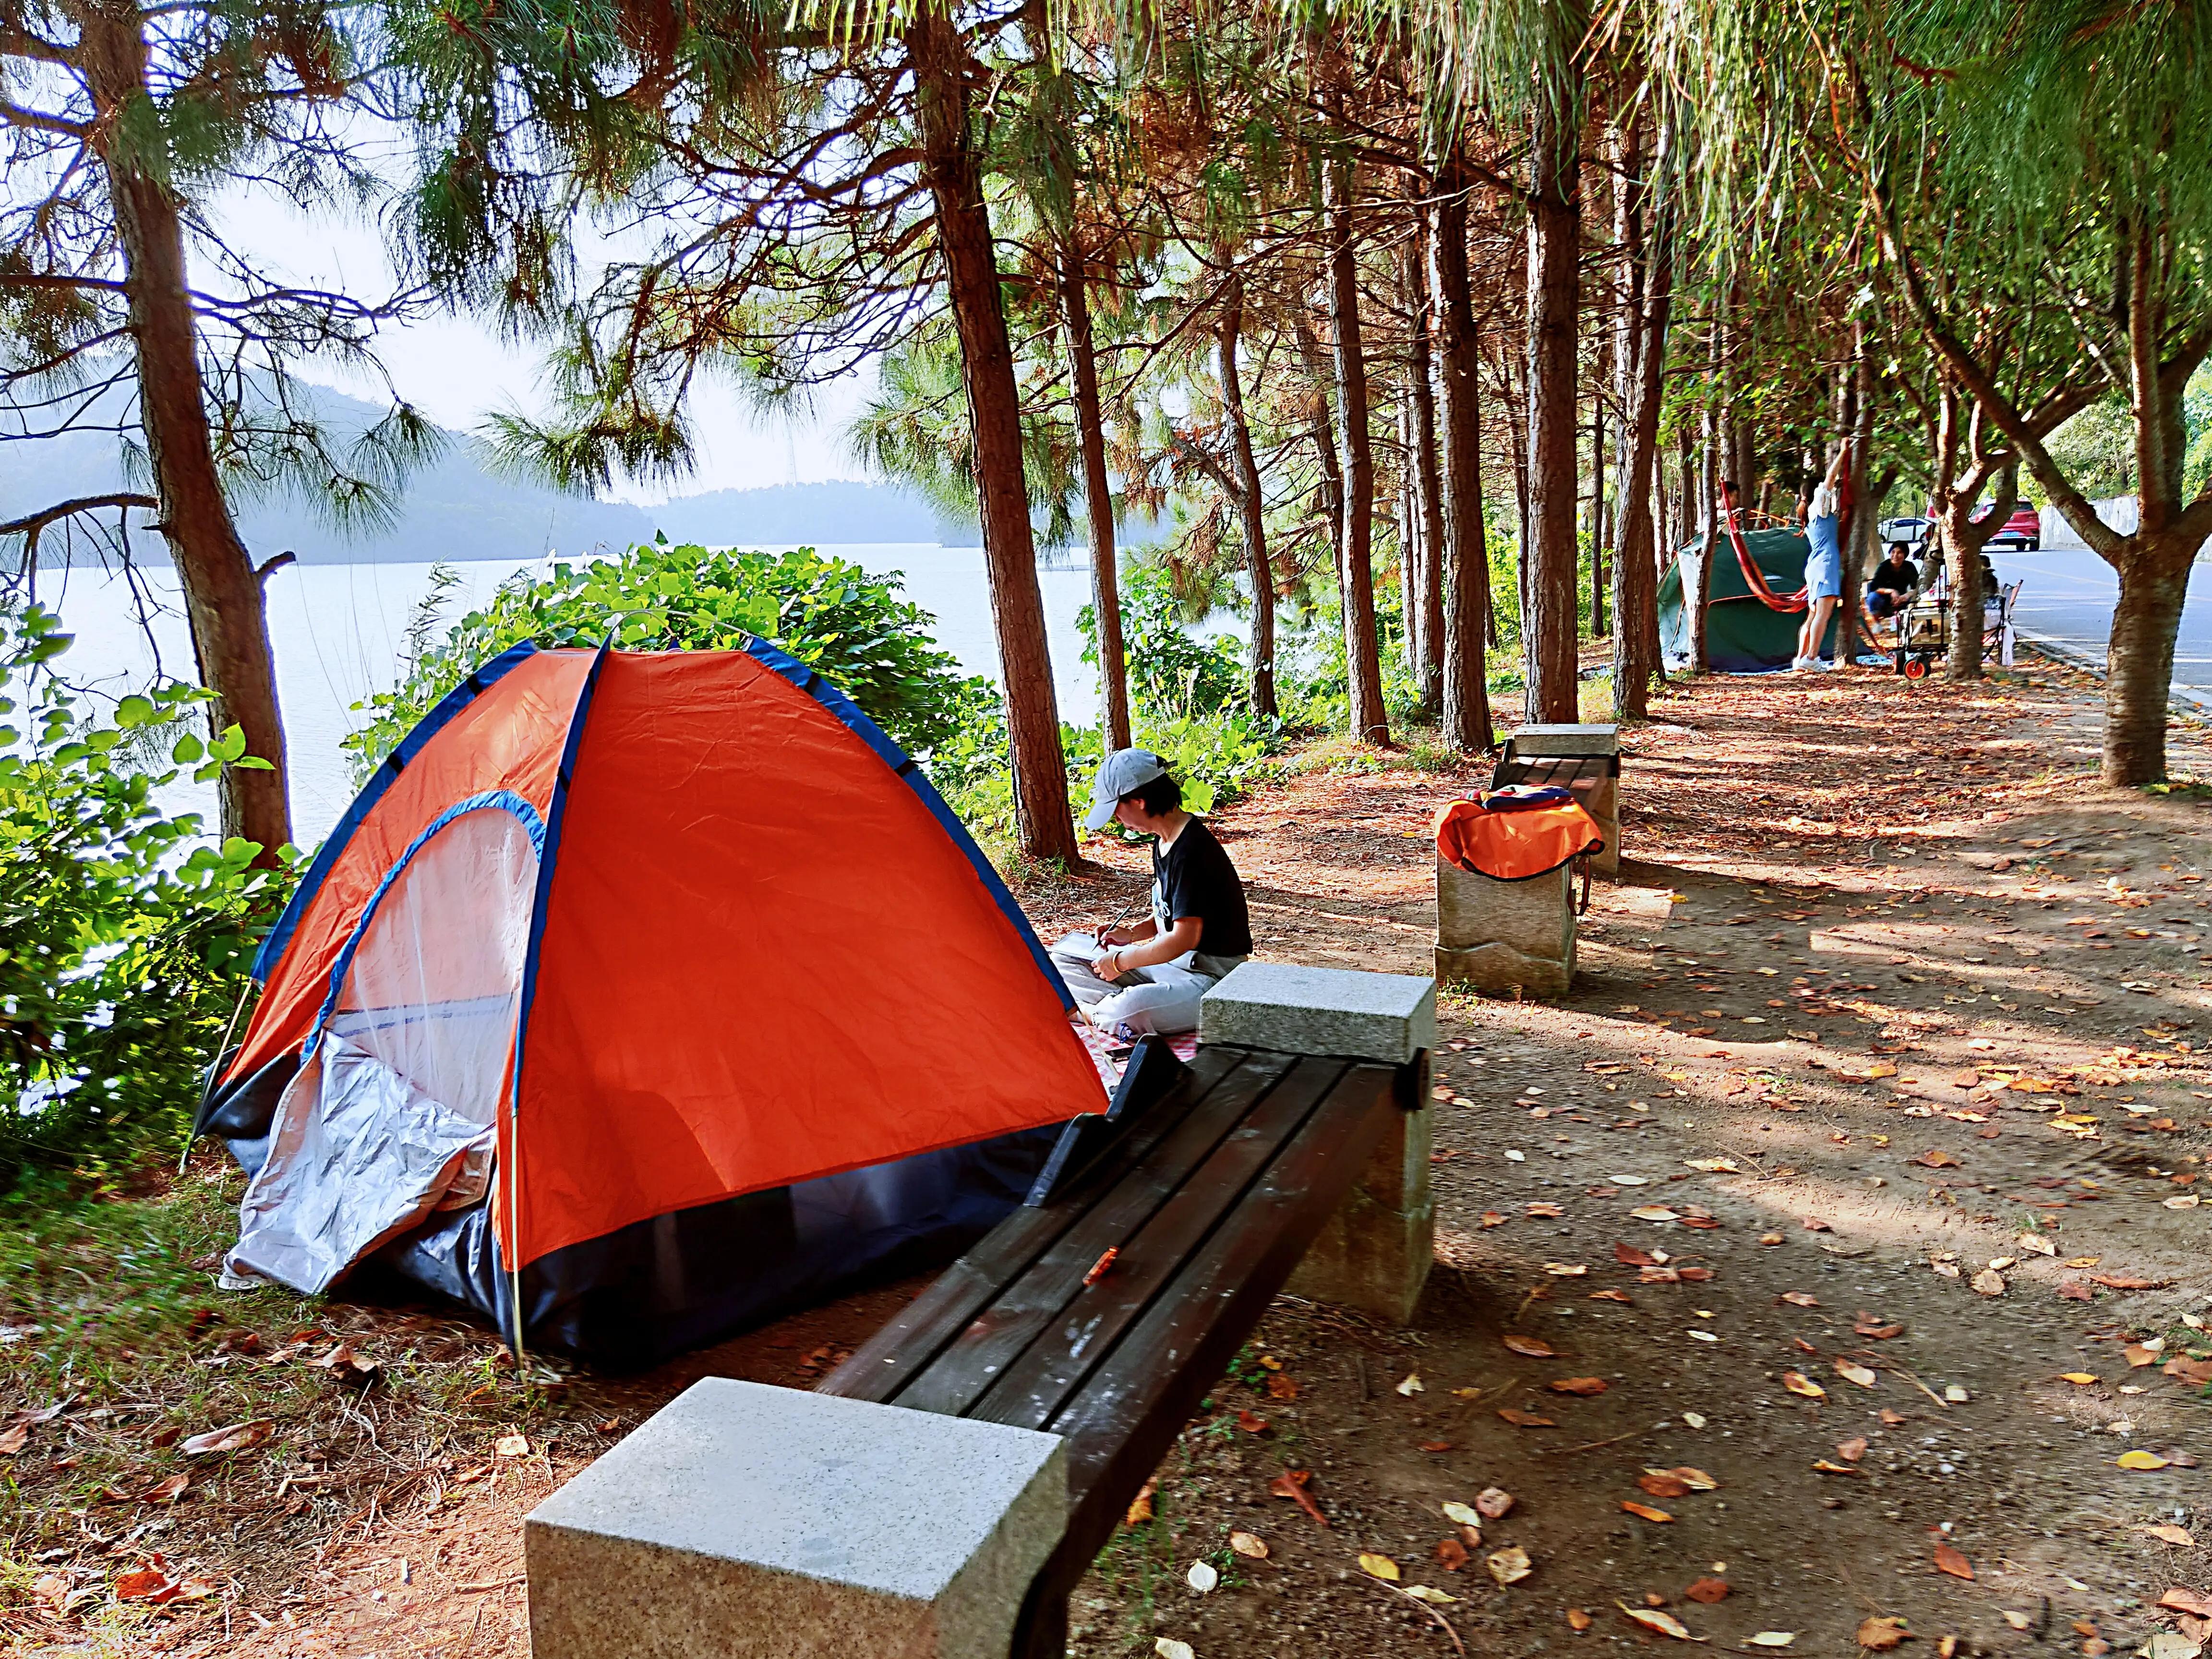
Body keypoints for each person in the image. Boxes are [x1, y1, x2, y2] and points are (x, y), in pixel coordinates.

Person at [1050, 748, 1252, 1038]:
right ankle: (1120, 1009)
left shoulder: (1192, 850)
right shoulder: (1163, 841)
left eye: (1116, 810)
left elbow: (1184, 938)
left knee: (1132, 1008)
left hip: (1207, 977)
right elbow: (1172, 913)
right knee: (1062, 960)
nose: (1117, 819)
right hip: (1169, 964)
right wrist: (1131, 935)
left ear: (1139, 802)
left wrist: (1121, 962)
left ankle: (1102, 1013)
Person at [1792, 446, 1851, 671]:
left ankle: (1800, 659)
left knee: (1813, 616)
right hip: (1826, 565)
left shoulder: (1810, 514)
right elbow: (1830, 479)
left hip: (1815, 566)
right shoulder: (1819, 506)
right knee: (1823, 616)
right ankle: (1811, 657)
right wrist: (1843, 453)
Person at [1862, 541, 1922, 637]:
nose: (1895, 555)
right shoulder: (1884, 566)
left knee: (1915, 598)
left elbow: (1917, 587)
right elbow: (1874, 587)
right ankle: (1877, 624)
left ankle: (1901, 622)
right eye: (1893, 552)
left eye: (1899, 553)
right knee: (1872, 598)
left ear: (1905, 555)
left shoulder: (1909, 567)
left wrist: (1905, 596)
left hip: (1902, 599)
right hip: (1884, 599)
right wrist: (1891, 591)